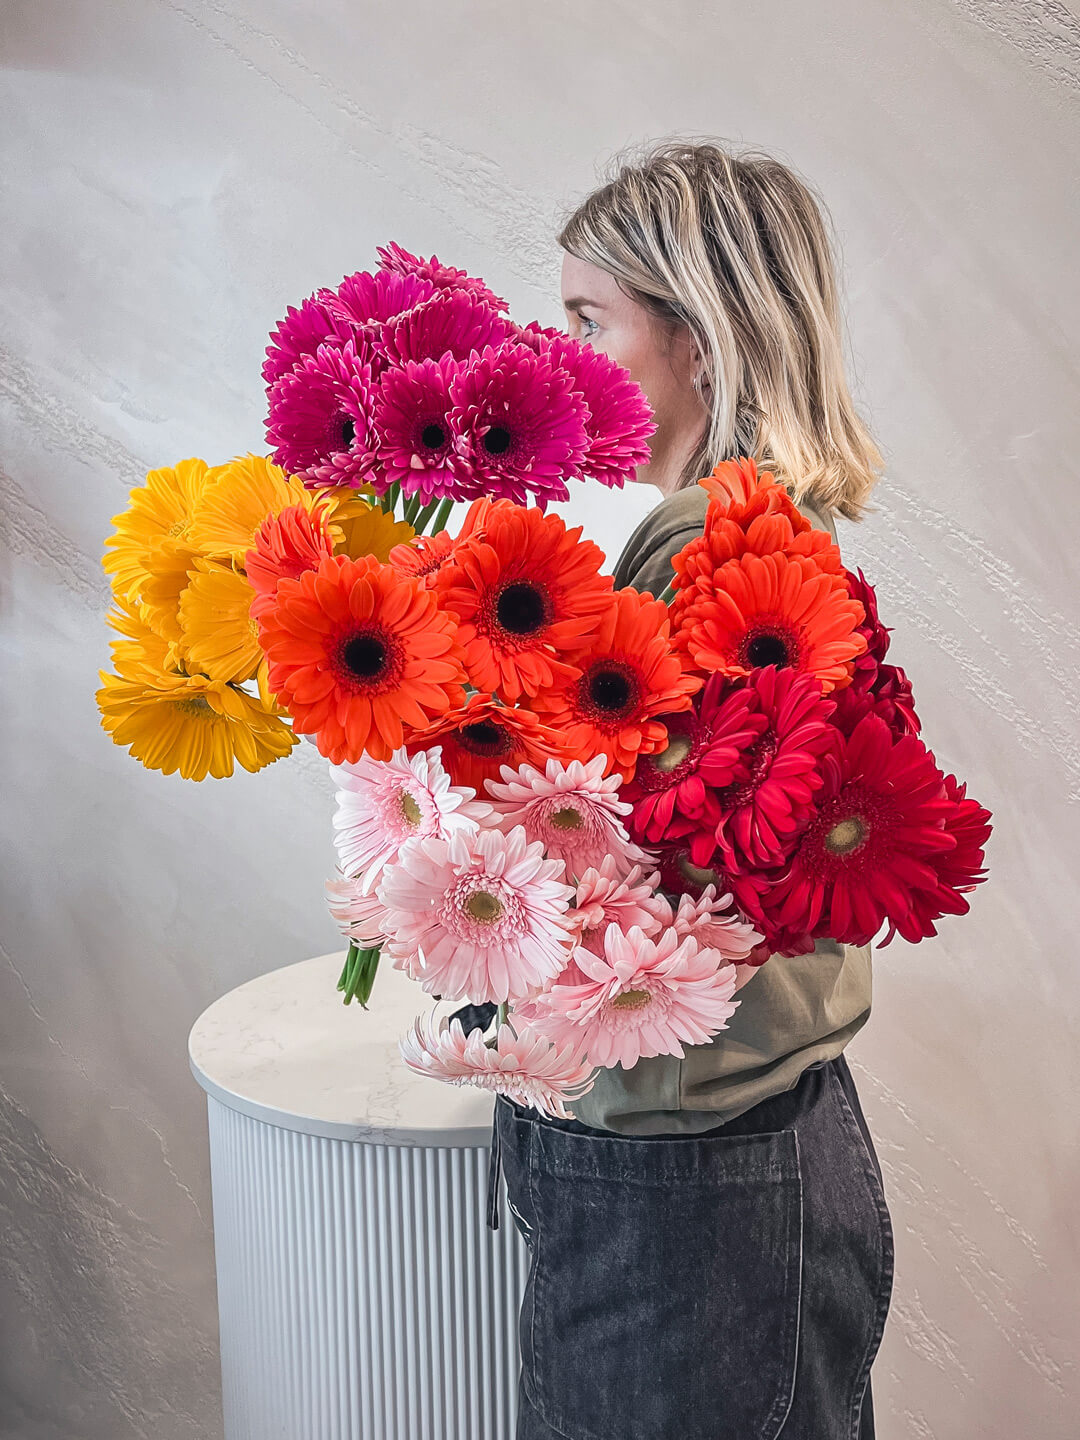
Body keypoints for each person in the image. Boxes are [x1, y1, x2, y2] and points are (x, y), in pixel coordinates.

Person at [486, 139, 896, 1440]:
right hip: (764, 1154)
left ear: (704, 341)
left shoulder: (704, 543)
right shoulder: (770, 528)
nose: (569, 363)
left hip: (684, 1192)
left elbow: (623, 858)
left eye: (592, 322)